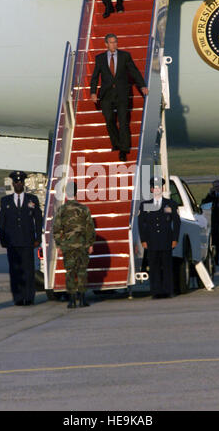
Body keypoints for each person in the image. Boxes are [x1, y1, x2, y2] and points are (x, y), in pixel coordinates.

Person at [90, 33, 148, 162]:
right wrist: (93, 92)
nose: (114, 44)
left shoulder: (125, 56)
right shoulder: (100, 58)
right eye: (111, 42)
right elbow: (95, 76)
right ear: (106, 44)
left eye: (115, 42)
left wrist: (142, 85)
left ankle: (124, 149)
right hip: (106, 94)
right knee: (110, 120)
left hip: (122, 94)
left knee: (123, 121)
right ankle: (116, 143)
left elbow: (134, 71)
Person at [0, 171, 42, 306]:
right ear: (13, 184)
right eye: (16, 182)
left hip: (28, 241)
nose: (18, 184)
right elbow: (2, 222)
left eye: (21, 182)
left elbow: (38, 219)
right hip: (12, 242)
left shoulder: (32, 199)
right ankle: (18, 297)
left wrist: (38, 237)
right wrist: (3, 239)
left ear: (24, 184)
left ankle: (29, 297)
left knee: (28, 270)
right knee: (15, 270)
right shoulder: (5, 201)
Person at [53, 182, 96, 309]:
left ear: (66, 194)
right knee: (82, 272)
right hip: (82, 245)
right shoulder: (84, 209)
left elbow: (56, 229)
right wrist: (90, 244)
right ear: (76, 193)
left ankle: (72, 300)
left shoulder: (62, 210)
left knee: (70, 272)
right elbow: (90, 228)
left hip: (68, 246)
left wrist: (59, 245)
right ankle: (82, 299)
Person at [138, 177, 181, 298]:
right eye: (154, 187)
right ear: (151, 189)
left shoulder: (170, 204)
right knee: (154, 267)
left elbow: (177, 223)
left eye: (159, 187)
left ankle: (168, 291)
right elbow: (141, 224)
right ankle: (156, 291)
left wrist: (175, 238)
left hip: (166, 240)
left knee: (167, 266)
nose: (157, 189)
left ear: (162, 188)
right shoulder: (145, 205)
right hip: (152, 241)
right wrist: (143, 240)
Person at [201, 179, 219, 265]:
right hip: (215, 223)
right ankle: (215, 260)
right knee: (215, 243)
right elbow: (204, 204)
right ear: (213, 187)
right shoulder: (212, 196)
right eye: (215, 187)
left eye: (218, 186)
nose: (217, 188)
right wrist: (209, 194)